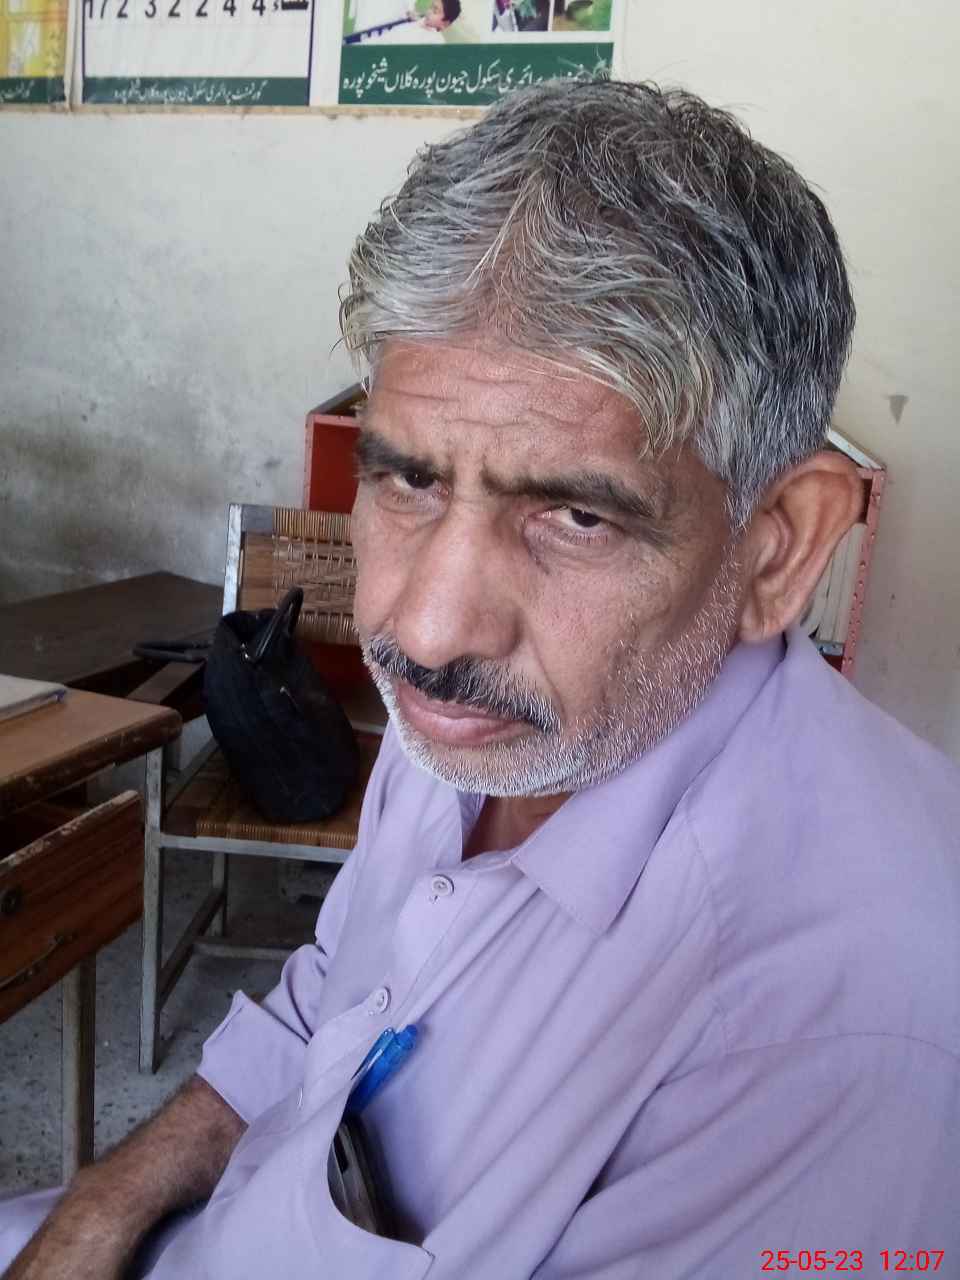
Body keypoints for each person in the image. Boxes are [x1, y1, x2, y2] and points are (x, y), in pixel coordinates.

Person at [3, 77, 959, 1279]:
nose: (424, 625)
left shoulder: (837, 1027)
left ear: (777, 547)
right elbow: (329, 1000)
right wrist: (106, 1202)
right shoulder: (485, 722)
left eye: (576, 515)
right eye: (408, 479)